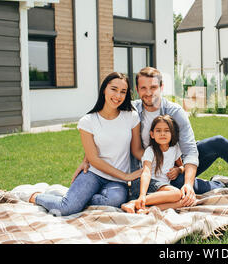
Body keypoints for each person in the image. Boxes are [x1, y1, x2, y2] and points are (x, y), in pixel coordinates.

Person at [73, 67, 228, 208]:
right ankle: (218, 184)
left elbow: (190, 151)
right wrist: (87, 157)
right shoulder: (131, 110)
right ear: (138, 90)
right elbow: (103, 127)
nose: (148, 93)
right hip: (152, 171)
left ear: (161, 87)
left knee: (217, 142)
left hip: (177, 163)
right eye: (143, 88)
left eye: (153, 87)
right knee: (183, 188)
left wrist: (188, 181)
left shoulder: (174, 112)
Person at [29, 72, 145, 216]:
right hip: (93, 174)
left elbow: (136, 150)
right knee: (65, 209)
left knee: (115, 200)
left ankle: (75, 198)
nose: (118, 96)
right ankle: (35, 196)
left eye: (123, 91)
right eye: (113, 89)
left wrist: (156, 160)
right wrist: (126, 176)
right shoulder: (88, 121)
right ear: (104, 89)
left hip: (116, 181)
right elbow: (93, 159)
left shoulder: (131, 116)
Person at [121, 115, 187, 214]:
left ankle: (146, 209)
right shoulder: (150, 151)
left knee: (183, 202)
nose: (162, 134)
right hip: (146, 184)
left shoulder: (175, 148)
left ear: (172, 133)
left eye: (167, 130)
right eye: (158, 131)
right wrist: (142, 194)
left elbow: (182, 166)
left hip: (160, 189)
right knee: (177, 193)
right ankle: (134, 202)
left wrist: (178, 170)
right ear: (152, 134)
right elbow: (146, 172)